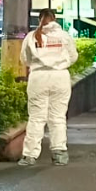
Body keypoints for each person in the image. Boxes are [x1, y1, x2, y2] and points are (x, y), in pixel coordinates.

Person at [20, 9, 79, 166]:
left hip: (38, 78)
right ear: (55, 19)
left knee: (36, 118)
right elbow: (73, 57)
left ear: (39, 19)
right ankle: (59, 153)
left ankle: (29, 156)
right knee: (58, 117)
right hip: (60, 78)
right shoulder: (64, 36)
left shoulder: (32, 37)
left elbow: (24, 59)